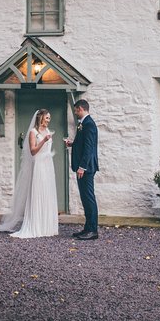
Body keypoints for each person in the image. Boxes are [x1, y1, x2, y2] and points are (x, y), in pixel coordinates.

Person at [0, 109, 59, 238]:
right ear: (41, 118)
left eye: (49, 118)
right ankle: (35, 226)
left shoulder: (48, 131)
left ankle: (46, 227)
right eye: (47, 118)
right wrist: (43, 141)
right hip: (38, 165)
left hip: (47, 165)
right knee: (37, 192)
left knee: (46, 192)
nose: (49, 120)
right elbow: (33, 152)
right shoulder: (33, 132)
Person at [65, 99, 99, 240]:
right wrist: (73, 143)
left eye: (75, 110)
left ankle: (92, 231)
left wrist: (82, 167)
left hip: (86, 168)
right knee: (85, 199)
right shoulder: (83, 124)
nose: (75, 113)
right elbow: (84, 143)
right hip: (83, 168)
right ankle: (87, 228)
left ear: (80, 109)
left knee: (89, 198)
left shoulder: (89, 124)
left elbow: (89, 149)